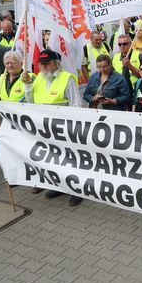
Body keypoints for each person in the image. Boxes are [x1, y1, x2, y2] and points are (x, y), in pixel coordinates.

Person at [22, 49, 83, 207]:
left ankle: (77, 190)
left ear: (56, 63)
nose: (44, 67)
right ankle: (60, 186)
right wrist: (28, 85)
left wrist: (72, 128)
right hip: (46, 128)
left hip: (64, 127)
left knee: (71, 160)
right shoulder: (39, 78)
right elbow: (31, 101)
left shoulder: (67, 78)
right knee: (55, 159)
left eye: (47, 63)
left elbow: (76, 105)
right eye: (42, 64)